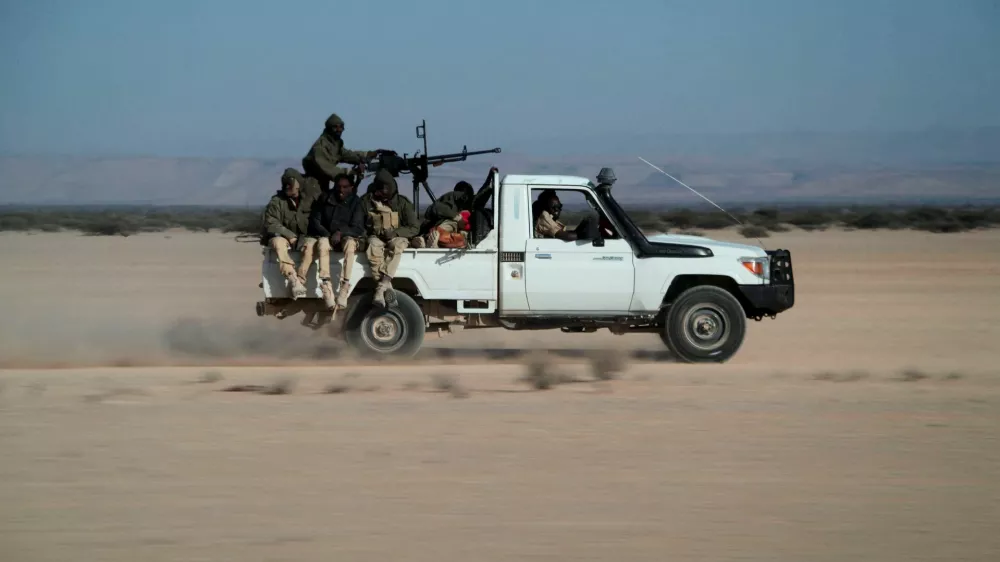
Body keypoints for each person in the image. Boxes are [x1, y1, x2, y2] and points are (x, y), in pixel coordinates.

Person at [307, 172, 366, 310]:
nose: (341, 190)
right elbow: (316, 221)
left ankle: (344, 287)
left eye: (345, 187)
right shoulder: (325, 199)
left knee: (351, 245)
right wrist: (328, 235)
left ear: (351, 188)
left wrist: (340, 233)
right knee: (321, 244)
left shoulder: (356, 202)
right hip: (327, 236)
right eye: (339, 187)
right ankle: (326, 287)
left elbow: (358, 227)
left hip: (346, 237)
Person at [360, 169, 420, 307]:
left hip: (396, 237)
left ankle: (382, 286)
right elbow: (359, 223)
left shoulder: (402, 203)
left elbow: (414, 227)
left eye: (385, 188)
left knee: (397, 246)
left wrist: (395, 233)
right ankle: (387, 287)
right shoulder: (367, 201)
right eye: (379, 189)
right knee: (373, 247)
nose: (381, 192)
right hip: (376, 237)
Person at [262, 168, 321, 298]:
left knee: (311, 245)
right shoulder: (277, 202)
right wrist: (290, 235)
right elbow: (270, 222)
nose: (288, 187)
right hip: (283, 237)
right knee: (278, 243)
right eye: (286, 184)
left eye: (291, 184)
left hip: (304, 238)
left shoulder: (310, 200)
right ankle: (292, 277)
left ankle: (300, 279)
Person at [301, 113, 387, 191]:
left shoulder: (335, 144)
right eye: (335, 127)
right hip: (313, 186)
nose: (339, 130)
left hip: (323, 184)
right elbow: (329, 169)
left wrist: (370, 154)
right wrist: (350, 172)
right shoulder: (320, 147)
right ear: (329, 129)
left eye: (341, 126)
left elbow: (348, 155)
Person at [421, 166, 499, 247]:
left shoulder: (472, 207)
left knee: (459, 232)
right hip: (443, 231)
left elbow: (480, 196)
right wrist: (458, 218)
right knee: (450, 223)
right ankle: (433, 238)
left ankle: (433, 239)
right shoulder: (452, 205)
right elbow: (436, 208)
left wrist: (489, 179)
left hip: (460, 235)